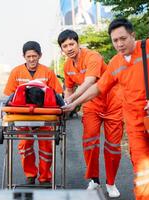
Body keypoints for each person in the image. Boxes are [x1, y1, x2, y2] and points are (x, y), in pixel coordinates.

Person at [62, 18, 149, 200]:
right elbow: (98, 87)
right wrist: (74, 103)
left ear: (132, 35)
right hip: (135, 125)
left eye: (123, 38)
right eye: (115, 40)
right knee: (142, 172)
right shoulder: (115, 63)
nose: (119, 44)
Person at [58, 29, 123, 198]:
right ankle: (94, 180)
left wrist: (72, 101)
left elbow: (90, 81)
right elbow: (69, 88)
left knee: (113, 147)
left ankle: (111, 183)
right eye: (65, 46)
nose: (69, 48)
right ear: (62, 49)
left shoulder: (93, 56)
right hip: (92, 105)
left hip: (113, 103)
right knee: (89, 141)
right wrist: (66, 101)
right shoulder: (67, 66)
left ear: (78, 44)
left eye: (72, 43)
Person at [3, 41, 63, 184]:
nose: (31, 59)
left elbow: (57, 94)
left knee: (46, 148)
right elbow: (8, 96)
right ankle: (30, 174)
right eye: (28, 56)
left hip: (44, 118)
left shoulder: (47, 72)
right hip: (22, 118)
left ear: (40, 56)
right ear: (23, 56)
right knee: (24, 145)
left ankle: (45, 177)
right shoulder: (16, 72)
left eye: (34, 56)